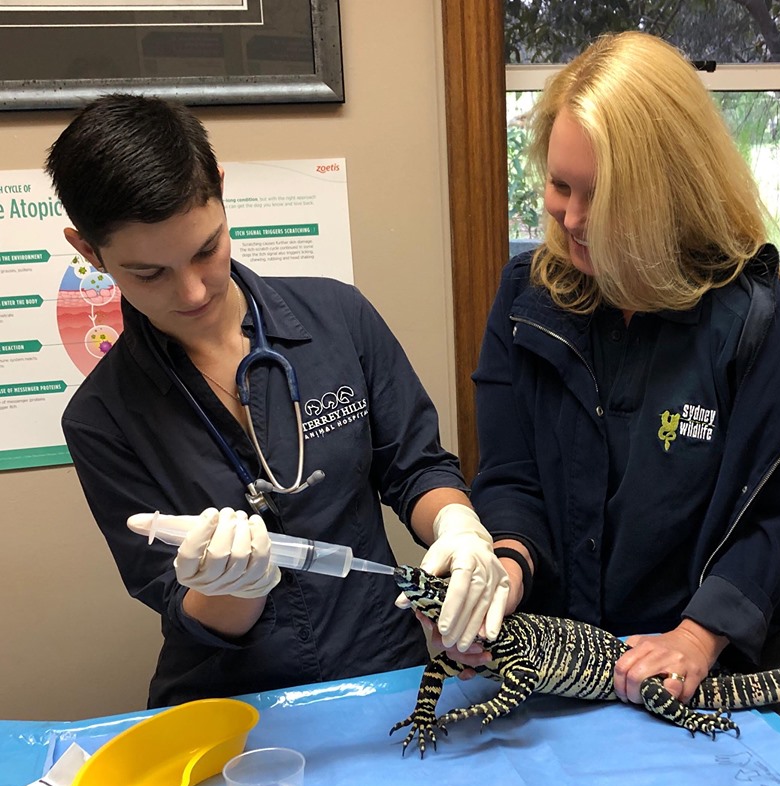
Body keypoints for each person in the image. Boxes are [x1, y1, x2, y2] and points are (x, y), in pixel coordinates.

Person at [47, 93, 508, 708]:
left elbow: (416, 467)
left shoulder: (339, 318)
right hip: (230, 707)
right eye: (149, 274)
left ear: (218, 187)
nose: (191, 290)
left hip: (383, 672)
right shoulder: (101, 418)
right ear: (89, 253)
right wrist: (233, 587)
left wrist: (460, 528)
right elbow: (179, 602)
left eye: (206, 249)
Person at [435, 32, 780, 703]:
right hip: (557, 671)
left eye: (602, 196)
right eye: (560, 185)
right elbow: (511, 474)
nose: (572, 217)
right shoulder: (525, 300)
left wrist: (700, 635)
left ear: (671, 195)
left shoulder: (766, 330)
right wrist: (504, 567)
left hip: (699, 674)